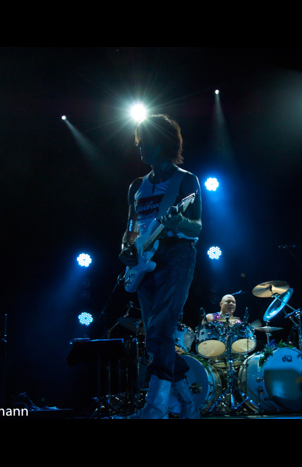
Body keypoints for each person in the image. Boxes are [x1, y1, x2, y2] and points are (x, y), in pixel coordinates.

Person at [119, 114, 202, 419]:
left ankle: (155, 409)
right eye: (139, 140)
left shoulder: (186, 180)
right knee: (159, 336)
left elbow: (197, 228)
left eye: (146, 141)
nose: (140, 146)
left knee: (158, 330)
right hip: (144, 263)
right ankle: (188, 405)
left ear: (162, 143)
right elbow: (130, 228)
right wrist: (126, 249)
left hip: (177, 255)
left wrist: (180, 221)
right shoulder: (136, 186)